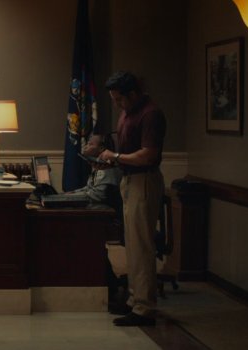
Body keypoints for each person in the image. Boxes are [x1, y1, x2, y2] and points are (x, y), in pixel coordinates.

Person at [97, 71, 166, 327]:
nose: (117, 105)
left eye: (119, 100)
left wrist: (114, 157)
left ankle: (144, 308)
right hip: (128, 178)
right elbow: (126, 150)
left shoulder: (151, 114)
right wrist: (108, 161)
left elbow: (148, 155)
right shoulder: (128, 111)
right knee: (132, 245)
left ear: (133, 93)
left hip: (144, 180)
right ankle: (134, 299)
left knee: (142, 246)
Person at [67, 134, 122, 203]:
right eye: (87, 143)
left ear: (101, 148)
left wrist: (72, 197)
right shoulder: (97, 166)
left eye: (90, 144)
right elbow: (90, 188)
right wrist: (74, 192)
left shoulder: (106, 167)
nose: (86, 147)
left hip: (105, 208)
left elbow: (98, 195)